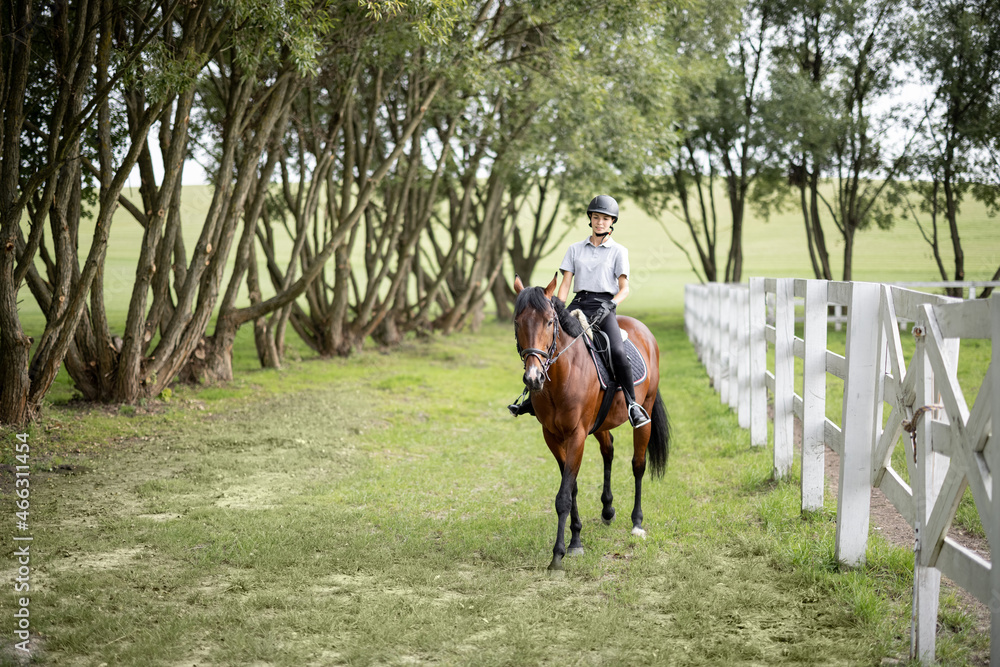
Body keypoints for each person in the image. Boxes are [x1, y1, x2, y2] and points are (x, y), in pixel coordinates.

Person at [509, 194, 651, 428]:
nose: (600, 222)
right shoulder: (575, 249)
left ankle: (632, 404)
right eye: (596, 217)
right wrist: (557, 306)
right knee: (549, 341)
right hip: (577, 304)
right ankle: (531, 396)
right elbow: (565, 283)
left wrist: (611, 304)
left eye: (605, 218)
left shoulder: (619, 251)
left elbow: (624, 288)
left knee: (616, 350)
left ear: (612, 222)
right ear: (590, 219)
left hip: (605, 306)